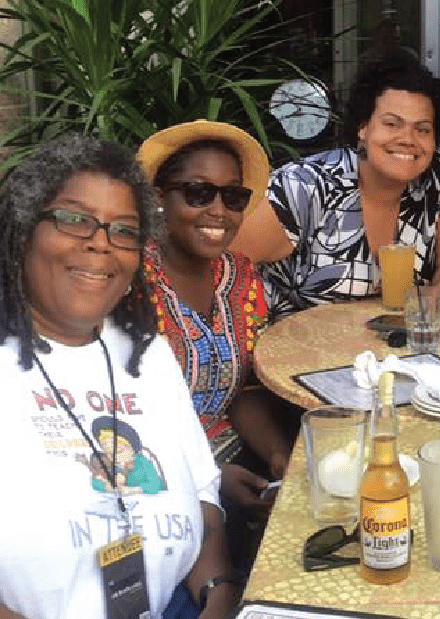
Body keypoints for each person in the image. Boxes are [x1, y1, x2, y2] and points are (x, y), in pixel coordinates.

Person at [0, 134, 237, 618]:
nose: (100, 244)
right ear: (24, 230)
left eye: (123, 230)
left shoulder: (144, 352)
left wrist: (218, 591)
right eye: (74, 219)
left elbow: (202, 491)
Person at [136, 120, 294, 573]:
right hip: (147, 476)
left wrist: (277, 456)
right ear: (160, 198)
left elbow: (243, 391)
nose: (219, 211)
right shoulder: (126, 281)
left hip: (232, 456)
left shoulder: (240, 278)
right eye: (198, 193)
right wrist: (211, 478)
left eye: (234, 197)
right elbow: (117, 417)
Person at [230, 48, 440, 321]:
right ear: (363, 128)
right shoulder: (305, 187)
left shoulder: (438, 176)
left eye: (422, 129)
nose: (408, 138)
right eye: (391, 124)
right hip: (296, 353)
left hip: (396, 353)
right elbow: (217, 263)